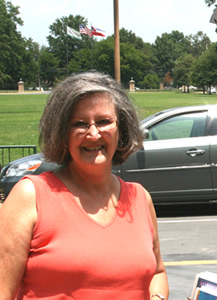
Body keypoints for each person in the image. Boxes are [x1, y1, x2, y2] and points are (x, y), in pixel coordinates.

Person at [0, 71, 169, 299]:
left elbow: (157, 272)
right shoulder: (30, 196)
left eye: (104, 121)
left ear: (121, 129)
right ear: (62, 134)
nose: (93, 133)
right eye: (79, 124)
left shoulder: (140, 198)